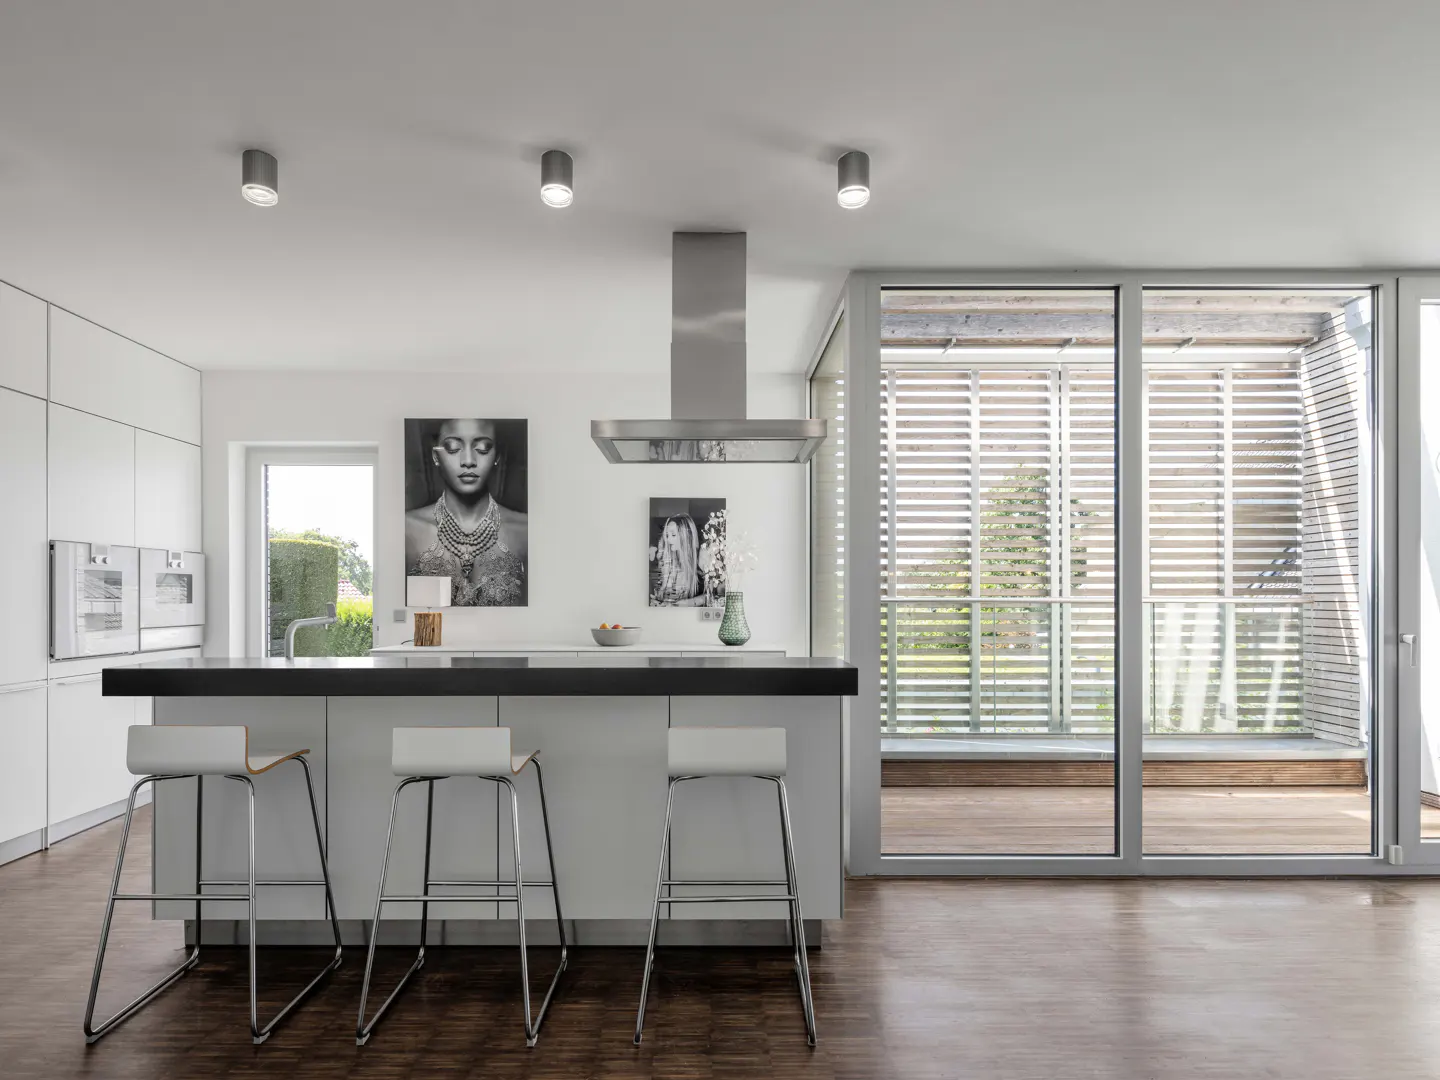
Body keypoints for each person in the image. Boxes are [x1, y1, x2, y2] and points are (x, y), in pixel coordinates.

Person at [406, 418, 527, 606]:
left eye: (483, 448)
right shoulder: (407, 529)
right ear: (436, 456)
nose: (469, 461)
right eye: (453, 448)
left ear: (497, 456)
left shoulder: (525, 531)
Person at [649, 513, 708, 606]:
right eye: (667, 535)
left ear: (686, 536)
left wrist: (688, 603)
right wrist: (659, 602)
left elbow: (715, 595)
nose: (668, 540)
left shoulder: (701, 561)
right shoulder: (670, 563)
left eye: (673, 535)